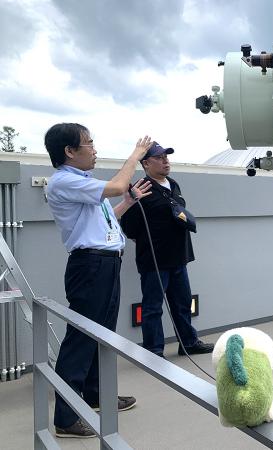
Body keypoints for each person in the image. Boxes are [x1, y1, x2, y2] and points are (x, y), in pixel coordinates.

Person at [44, 123, 153, 438]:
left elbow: (104, 220)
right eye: (89, 143)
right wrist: (137, 154)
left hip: (104, 264)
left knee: (100, 334)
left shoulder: (82, 182)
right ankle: (65, 418)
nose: (94, 149)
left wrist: (129, 203)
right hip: (90, 266)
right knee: (81, 340)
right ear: (69, 151)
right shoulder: (64, 181)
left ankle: (95, 395)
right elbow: (118, 185)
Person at [120, 142, 214, 358]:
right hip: (154, 259)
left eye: (166, 157)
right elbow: (129, 227)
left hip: (179, 257)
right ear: (145, 163)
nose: (165, 161)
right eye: (159, 158)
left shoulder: (173, 184)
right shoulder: (140, 188)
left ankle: (188, 343)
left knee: (182, 303)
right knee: (153, 307)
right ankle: (154, 351)